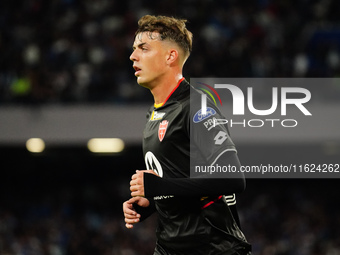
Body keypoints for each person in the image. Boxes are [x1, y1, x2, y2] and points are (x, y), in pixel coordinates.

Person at [123, 15, 251, 255]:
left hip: (212, 248)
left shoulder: (197, 107)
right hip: (169, 247)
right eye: (134, 49)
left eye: (143, 48)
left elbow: (233, 178)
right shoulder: (155, 114)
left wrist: (159, 185)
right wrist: (149, 202)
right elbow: (179, 181)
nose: (133, 56)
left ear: (170, 56)